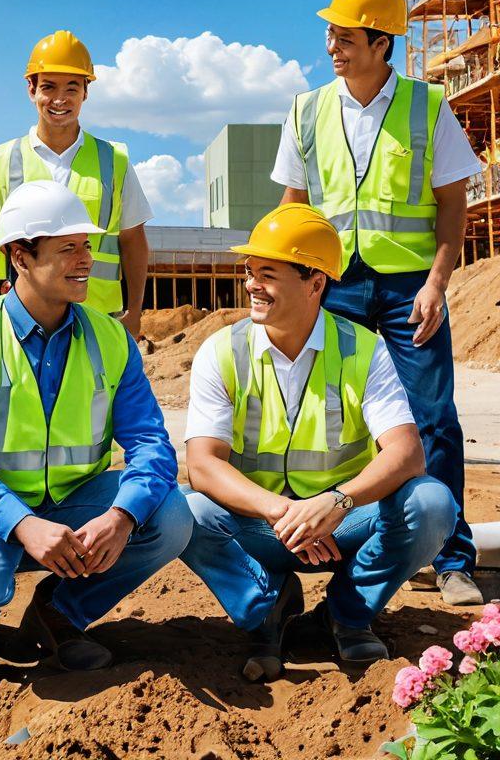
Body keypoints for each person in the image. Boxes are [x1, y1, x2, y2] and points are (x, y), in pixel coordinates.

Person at [0, 180, 192, 685]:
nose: (85, 259)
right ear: (19, 256)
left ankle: (59, 613)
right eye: (67, 247)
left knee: (171, 516)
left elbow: (152, 444)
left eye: (88, 246)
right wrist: (23, 524)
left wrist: (121, 514)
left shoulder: (111, 336)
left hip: (73, 501)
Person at [271, 0, 483, 607]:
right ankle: (348, 540)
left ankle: (450, 558)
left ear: (382, 43)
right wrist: (281, 282)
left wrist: (437, 284)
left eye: (345, 34)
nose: (332, 44)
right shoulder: (307, 110)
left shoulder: (428, 106)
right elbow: (293, 206)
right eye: (330, 32)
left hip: (407, 291)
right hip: (330, 287)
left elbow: (453, 206)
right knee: (328, 417)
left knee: (432, 418)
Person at [182, 203, 456, 681]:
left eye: (267, 273)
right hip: (263, 526)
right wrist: (281, 512)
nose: (251, 285)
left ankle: (345, 615)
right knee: (185, 511)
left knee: (432, 503)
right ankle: (268, 608)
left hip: (342, 524)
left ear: (316, 283)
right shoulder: (222, 351)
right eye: (249, 272)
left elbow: (407, 451)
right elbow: (202, 466)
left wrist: (337, 502)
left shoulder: (363, 349)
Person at [0, 30, 152, 336]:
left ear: (86, 92)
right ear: (31, 89)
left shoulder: (114, 160)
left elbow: (133, 240)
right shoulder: (1, 161)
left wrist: (135, 312)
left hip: (97, 321)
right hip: (18, 323)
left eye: (72, 88)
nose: (60, 100)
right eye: (48, 87)